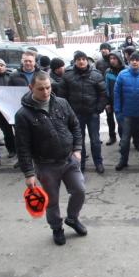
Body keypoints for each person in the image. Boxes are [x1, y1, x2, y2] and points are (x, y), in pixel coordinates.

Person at [15, 73, 86, 246]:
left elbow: (75, 125)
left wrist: (77, 149)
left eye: (48, 87)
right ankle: (56, 228)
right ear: (31, 88)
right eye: (40, 89)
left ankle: (72, 218)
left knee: (79, 191)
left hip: (69, 160)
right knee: (52, 201)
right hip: (45, 165)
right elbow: (22, 146)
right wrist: (29, 173)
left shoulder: (62, 103)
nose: (46, 92)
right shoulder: (23, 115)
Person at [59, 51, 107, 174]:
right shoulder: (68, 75)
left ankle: (98, 163)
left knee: (95, 140)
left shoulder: (96, 74)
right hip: (75, 115)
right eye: (78, 59)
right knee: (78, 141)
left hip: (92, 114)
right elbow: (62, 96)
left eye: (83, 59)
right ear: (75, 61)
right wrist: (67, 112)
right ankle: (81, 164)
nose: (81, 61)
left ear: (87, 60)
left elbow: (103, 94)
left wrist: (98, 108)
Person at [104, 51, 125, 146]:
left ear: (119, 59)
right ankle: (116, 137)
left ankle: (130, 139)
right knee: (113, 119)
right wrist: (107, 103)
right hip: (112, 101)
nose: (112, 61)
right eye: (110, 59)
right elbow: (106, 88)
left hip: (125, 100)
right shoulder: (108, 72)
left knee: (125, 121)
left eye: (114, 58)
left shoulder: (126, 70)